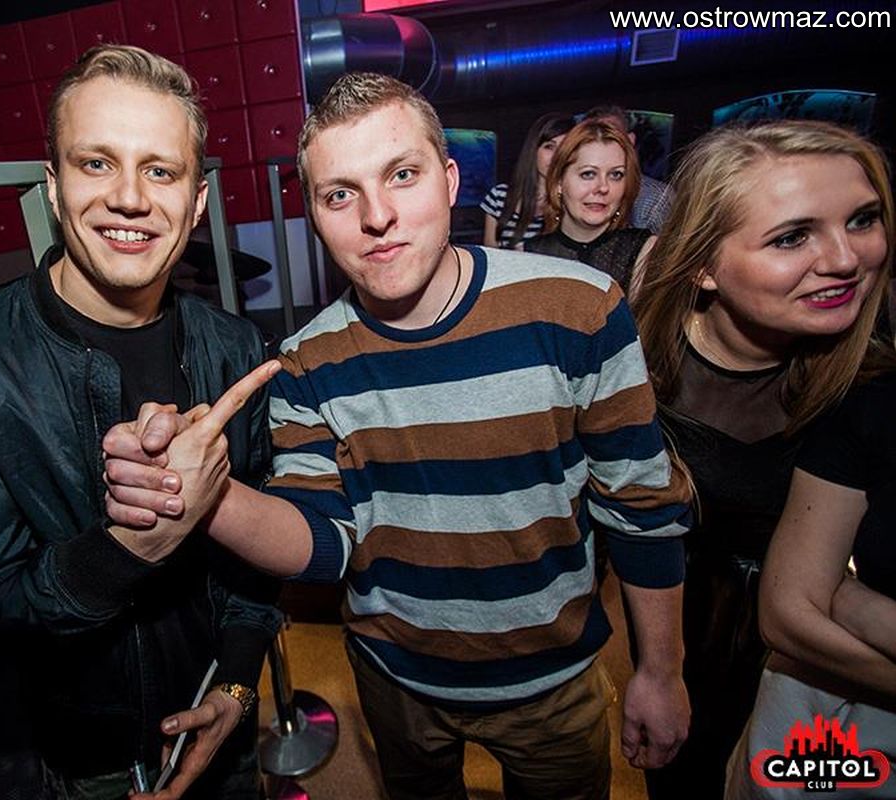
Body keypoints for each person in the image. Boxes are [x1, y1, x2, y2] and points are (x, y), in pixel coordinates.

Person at [101, 72, 694, 800]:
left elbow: (641, 504)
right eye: (339, 194)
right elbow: (323, 541)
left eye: (402, 175)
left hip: (553, 680)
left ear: (449, 181)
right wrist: (205, 495)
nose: (376, 216)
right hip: (395, 681)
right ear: (314, 216)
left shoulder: (578, 308)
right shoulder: (307, 361)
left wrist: (660, 671)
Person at [0, 45, 281, 800]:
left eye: (160, 170)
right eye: (97, 163)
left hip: (226, 720)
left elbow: (258, 562)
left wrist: (237, 686)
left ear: (197, 202)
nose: (130, 198)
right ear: (53, 185)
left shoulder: (236, 348)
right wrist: (131, 547)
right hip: (95, 764)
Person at [631, 119, 893, 799]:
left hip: (818, 662)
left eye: (862, 219)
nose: (845, 259)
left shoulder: (875, 380)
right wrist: (654, 671)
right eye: (792, 237)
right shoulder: (634, 370)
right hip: (676, 639)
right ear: (703, 266)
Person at [723, 363, 896, 800]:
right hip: (834, 723)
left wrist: (861, 608)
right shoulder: (875, 401)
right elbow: (787, 610)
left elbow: (824, 593)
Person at [524, 119, 656, 298]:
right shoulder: (530, 255)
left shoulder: (644, 251)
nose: (603, 187)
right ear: (559, 182)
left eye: (616, 175)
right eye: (588, 174)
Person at [480, 111, 573, 248]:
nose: (556, 156)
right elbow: (490, 254)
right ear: (534, 150)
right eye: (549, 147)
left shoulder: (574, 201)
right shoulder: (499, 197)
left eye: (564, 148)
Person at [583, 105, 672, 233]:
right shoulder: (571, 191)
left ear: (630, 139)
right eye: (590, 137)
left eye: (611, 135)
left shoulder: (655, 199)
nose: (600, 141)